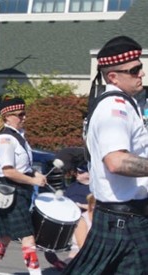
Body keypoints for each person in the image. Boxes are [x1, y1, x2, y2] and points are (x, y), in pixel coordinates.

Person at [62, 36, 148, 274]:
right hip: (124, 221)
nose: (141, 73)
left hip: (125, 219)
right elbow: (116, 161)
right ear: (113, 76)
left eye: (140, 67)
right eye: (134, 70)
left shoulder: (124, 105)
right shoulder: (114, 109)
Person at [0, 97, 47, 275]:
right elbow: (9, 171)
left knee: (4, 237)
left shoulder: (19, 137)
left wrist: (35, 174)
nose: (23, 117)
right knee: (28, 238)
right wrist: (33, 181)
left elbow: (23, 168)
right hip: (11, 192)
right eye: (19, 115)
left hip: (21, 191)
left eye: (24, 114)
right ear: (7, 117)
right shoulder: (5, 140)